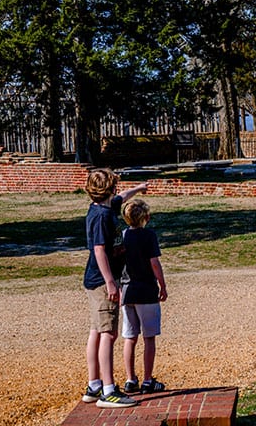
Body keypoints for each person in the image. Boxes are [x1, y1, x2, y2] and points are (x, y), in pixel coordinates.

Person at [82, 169, 148, 409]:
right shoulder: (100, 216)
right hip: (101, 280)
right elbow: (99, 249)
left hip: (95, 279)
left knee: (97, 332)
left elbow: (123, 196)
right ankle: (108, 391)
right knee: (108, 334)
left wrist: (139, 188)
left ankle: (94, 384)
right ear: (108, 189)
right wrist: (110, 281)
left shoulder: (105, 206)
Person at [120, 198, 168, 395]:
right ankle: (148, 380)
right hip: (146, 290)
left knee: (130, 337)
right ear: (146, 217)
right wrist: (162, 285)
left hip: (127, 289)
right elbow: (154, 262)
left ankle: (130, 379)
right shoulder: (149, 235)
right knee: (149, 337)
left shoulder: (122, 236)